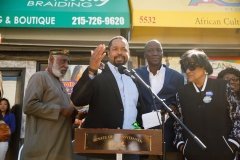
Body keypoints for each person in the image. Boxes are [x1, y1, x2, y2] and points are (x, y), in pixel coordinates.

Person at [71, 36, 146, 160]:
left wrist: (138, 132)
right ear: (109, 53)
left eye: (123, 49)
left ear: (129, 53)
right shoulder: (98, 75)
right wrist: (91, 70)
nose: (120, 52)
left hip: (130, 148)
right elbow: (78, 100)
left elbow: (136, 115)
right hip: (101, 148)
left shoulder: (134, 80)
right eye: (115, 49)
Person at [174, 49, 240, 160]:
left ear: (204, 66)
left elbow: (237, 117)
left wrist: (232, 144)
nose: (188, 71)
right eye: (185, 67)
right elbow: (178, 123)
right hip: (192, 155)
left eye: (192, 66)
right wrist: (182, 146)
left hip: (224, 155)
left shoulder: (224, 87)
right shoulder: (181, 93)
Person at [21, 49, 78, 160]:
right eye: (63, 61)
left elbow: (60, 116)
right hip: (42, 152)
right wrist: (61, 110)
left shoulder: (60, 84)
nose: (66, 66)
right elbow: (29, 106)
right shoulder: (40, 77)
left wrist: (73, 115)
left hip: (60, 150)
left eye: (68, 63)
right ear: (51, 60)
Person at [134, 40, 184, 160]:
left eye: (158, 50)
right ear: (145, 55)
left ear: (162, 53)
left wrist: (174, 105)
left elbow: (181, 101)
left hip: (169, 137)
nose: (155, 53)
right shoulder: (135, 75)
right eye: (150, 51)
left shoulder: (177, 77)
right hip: (143, 138)